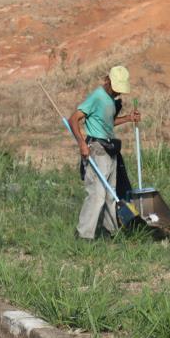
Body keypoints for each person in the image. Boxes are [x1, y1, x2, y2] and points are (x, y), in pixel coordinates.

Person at [68, 66, 141, 240]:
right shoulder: (97, 97)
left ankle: (110, 233)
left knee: (111, 195)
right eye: (116, 87)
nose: (118, 92)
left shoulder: (110, 99)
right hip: (96, 149)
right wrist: (82, 145)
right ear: (108, 80)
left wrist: (129, 118)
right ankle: (84, 236)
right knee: (97, 195)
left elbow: (108, 123)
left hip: (110, 149)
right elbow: (73, 119)